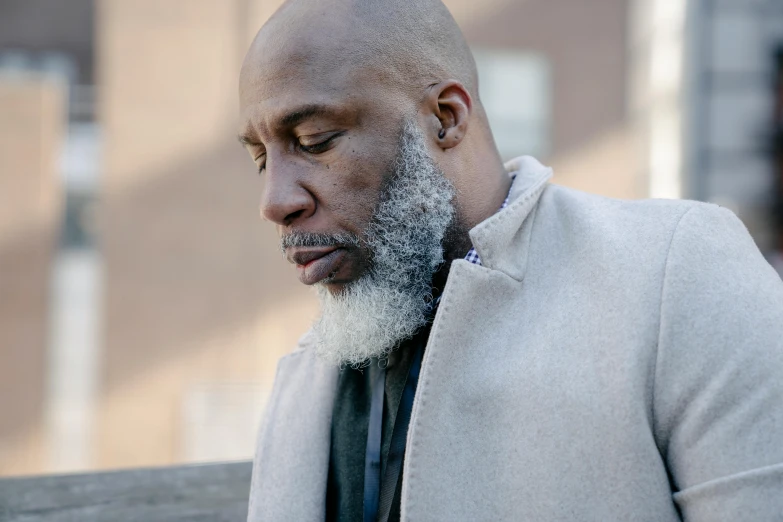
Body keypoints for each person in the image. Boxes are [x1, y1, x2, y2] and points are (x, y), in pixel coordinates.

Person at [237, 0, 783, 520]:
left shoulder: (678, 271)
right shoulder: (306, 376)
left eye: (314, 140)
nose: (275, 202)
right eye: (262, 158)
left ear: (446, 118)